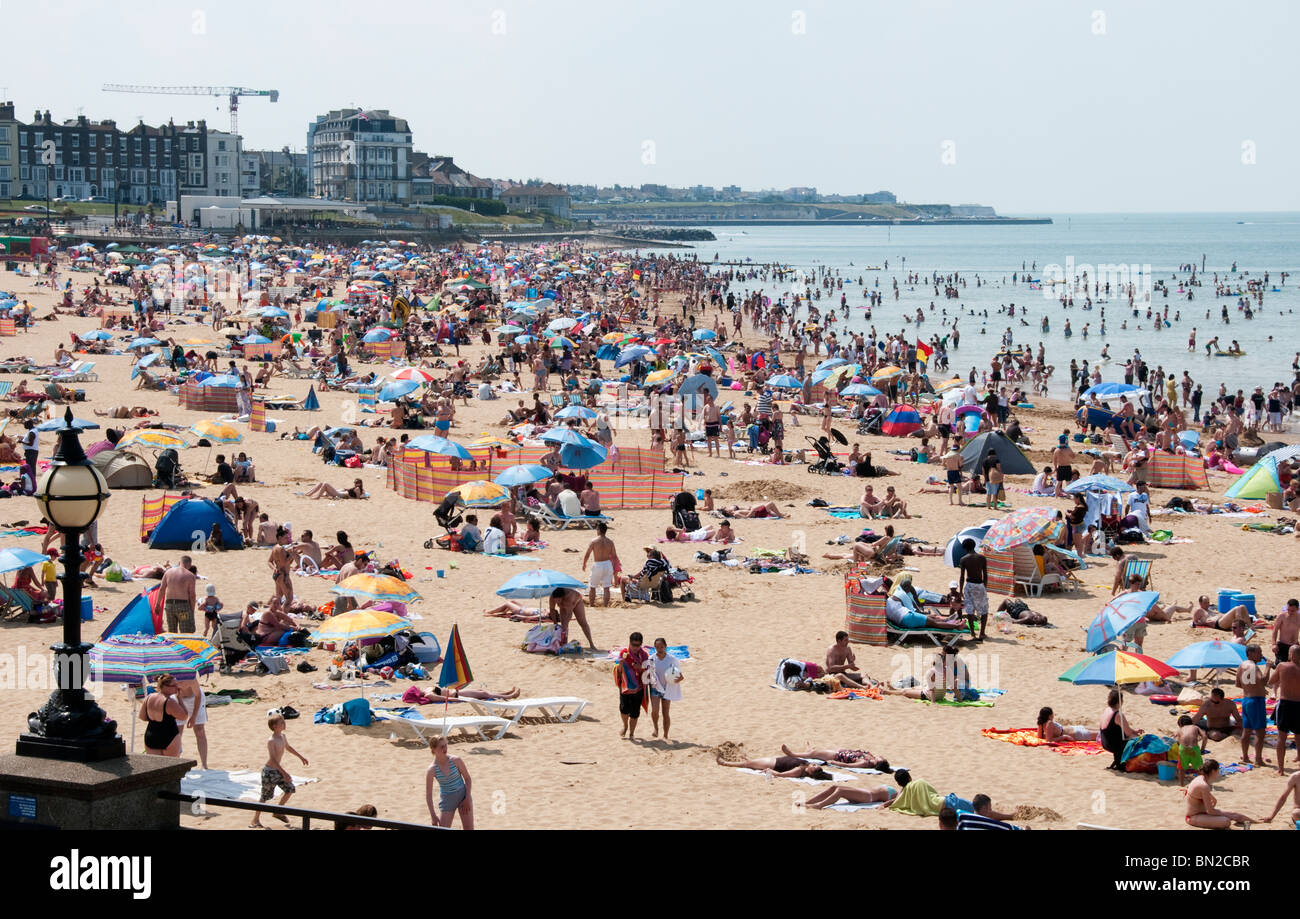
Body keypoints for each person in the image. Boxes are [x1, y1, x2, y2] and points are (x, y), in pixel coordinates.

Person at [250, 713, 308, 828]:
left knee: (290, 788)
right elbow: (273, 759)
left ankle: (278, 810)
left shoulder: (283, 736)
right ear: (275, 726)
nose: (284, 723)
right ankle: (255, 820)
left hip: (277, 770)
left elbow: (288, 748)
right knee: (264, 796)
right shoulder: (271, 740)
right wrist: (284, 772)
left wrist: (301, 757)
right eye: (281, 722)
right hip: (269, 772)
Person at [1184, 760, 1254, 829]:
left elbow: (1198, 792)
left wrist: (1213, 798)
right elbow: (1210, 811)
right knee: (1226, 821)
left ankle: (1257, 821)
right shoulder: (1203, 785)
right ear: (1213, 771)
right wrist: (1227, 815)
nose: (1219, 772)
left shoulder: (1201, 779)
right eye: (1218, 770)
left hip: (1202, 812)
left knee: (1235, 815)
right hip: (1193, 817)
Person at [425, 735, 473, 830]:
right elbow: (428, 794)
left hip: (463, 796)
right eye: (441, 746)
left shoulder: (456, 760)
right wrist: (433, 815)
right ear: (433, 749)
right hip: (447, 800)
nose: (445, 748)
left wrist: (467, 798)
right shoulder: (432, 770)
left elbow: (467, 779)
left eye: (446, 745)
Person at [1236, 643, 1272, 767]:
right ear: (1250, 653)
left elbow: (1238, 683)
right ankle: (1258, 759)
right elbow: (1263, 680)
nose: (1261, 655)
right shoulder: (1253, 666)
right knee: (1260, 732)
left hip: (1246, 699)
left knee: (1246, 730)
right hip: (1256, 701)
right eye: (1259, 652)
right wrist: (1267, 668)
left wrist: (1253, 688)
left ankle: (1245, 756)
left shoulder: (1242, 665)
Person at [1268, 645, 1300, 775]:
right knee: (1299, 735)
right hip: (1299, 704)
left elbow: (1271, 681)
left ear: (1290, 655)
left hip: (1286, 703)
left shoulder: (1282, 666)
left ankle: (1281, 769)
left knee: (1282, 737)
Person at [139, 674, 187, 757]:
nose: (177, 687)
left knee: (155, 767)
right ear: (165, 687)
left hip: (151, 734)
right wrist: (179, 698)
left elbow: (142, 716)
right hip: (169, 736)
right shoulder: (170, 702)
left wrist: (155, 716)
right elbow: (184, 716)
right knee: (171, 767)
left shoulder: (149, 697)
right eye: (174, 685)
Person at [647, 637, 684, 740]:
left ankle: (665, 734)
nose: (659, 649)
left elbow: (680, 676)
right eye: (657, 647)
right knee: (655, 711)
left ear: (665, 647)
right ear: (655, 647)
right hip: (655, 688)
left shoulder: (672, 659)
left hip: (667, 688)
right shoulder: (651, 658)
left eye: (661, 647)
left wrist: (675, 680)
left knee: (665, 712)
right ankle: (656, 729)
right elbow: (648, 674)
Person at [616, 632, 650, 739]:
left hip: (638, 688)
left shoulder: (644, 655)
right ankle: (625, 726)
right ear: (629, 643)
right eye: (633, 644)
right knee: (624, 709)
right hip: (625, 686)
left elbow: (648, 672)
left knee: (635, 713)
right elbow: (619, 672)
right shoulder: (624, 653)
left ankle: (631, 733)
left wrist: (640, 668)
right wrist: (620, 665)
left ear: (641, 644)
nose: (635, 647)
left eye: (637, 645)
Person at [1099, 689, 1139, 770]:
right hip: (1114, 745)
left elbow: (1122, 727)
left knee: (1133, 734)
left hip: (1104, 742)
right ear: (1120, 701)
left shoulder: (1107, 710)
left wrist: (1134, 730)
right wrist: (1135, 734)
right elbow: (1127, 733)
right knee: (1136, 738)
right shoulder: (1118, 715)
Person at [714, 753, 831, 781]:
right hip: (776, 760)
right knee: (753, 763)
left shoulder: (798, 771)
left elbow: (782, 775)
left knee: (747, 765)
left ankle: (725, 763)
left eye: (814, 766)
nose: (813, 764)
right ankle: (752, 762)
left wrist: (770, 771)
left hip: (773, 764)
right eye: (814, 764)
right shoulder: (804, 766)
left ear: (810, 772)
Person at [581, 522, 619, 607]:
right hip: (607, 564)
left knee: (592, 586)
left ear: (598, 530)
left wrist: (584, 563)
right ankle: (605, 605)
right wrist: (615, 568)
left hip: (597, 564)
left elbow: (587, 554)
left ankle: (591, 605)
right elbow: (614, 556)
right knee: (606, 588)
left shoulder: (594, 541)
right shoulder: (610, 542)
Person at [957, 539, 989, 640]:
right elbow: (985, 574)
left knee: (970, 610)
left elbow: (962, 577)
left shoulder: (964, 559)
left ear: (965, 548)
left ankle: (972, 633)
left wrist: (961, 590)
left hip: (969, 585)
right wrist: (984, 587)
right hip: (979, 584)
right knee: (984, 609)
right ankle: (982, 633)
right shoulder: (982, 558)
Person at [177, 677, 209, 770]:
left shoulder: (190, 678)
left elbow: (198, 696)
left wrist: (194, 716)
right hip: (179, 699)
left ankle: (204, 764)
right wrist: (183, 710)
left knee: (199, 730)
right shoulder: (172, 677)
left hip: (195, 698)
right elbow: (174, 694)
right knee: (177, 732)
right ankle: (176, 761)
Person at [779, 744, 892, 771]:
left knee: (816, 753)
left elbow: (848, 765)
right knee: (816, 753)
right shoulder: (870, 758)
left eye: (882, 759)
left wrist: (834, 762)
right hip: (841, 752)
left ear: (878, 763)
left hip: (836, 756)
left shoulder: (865, 763)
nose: (881, 756)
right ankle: (809, 752)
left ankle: (792, 754)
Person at [160, 557, 197, 633]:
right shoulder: (190, 575)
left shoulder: (168, 572)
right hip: (182, 606)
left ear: (179, 562)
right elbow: (192, 595)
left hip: (169, 605)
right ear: (189, 565)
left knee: (172, 631)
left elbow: (162, 589)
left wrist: (157, 604)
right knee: (185, 631)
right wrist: (192, 609)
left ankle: (173, 645)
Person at [1172, 714, 1208, 786]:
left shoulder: (1180, 730)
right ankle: (1203, 783)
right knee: (1199, 767)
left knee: (1181, 768)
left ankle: (1181, 784)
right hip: (1194, 748)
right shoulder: (1195, 727)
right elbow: (1204, 737)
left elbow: (1176, 740)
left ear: (1180, 724)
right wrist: (1202, 749)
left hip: (1183, 749)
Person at [805, 784, 897, 809]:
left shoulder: (899, 795)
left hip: (868, 797)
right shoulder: (900, 791)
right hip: (865, 792)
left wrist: (883, 805)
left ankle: (819, 805)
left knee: (840, 791)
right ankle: (808, 802)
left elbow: (894, 801)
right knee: (834, 787)